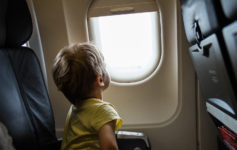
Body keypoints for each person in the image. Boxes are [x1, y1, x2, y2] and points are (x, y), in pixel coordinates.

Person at [52, 43, 122, 150]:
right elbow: (110, 147)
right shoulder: (103, 111)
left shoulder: (74, 110)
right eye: (105, 66)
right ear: (100, 79)